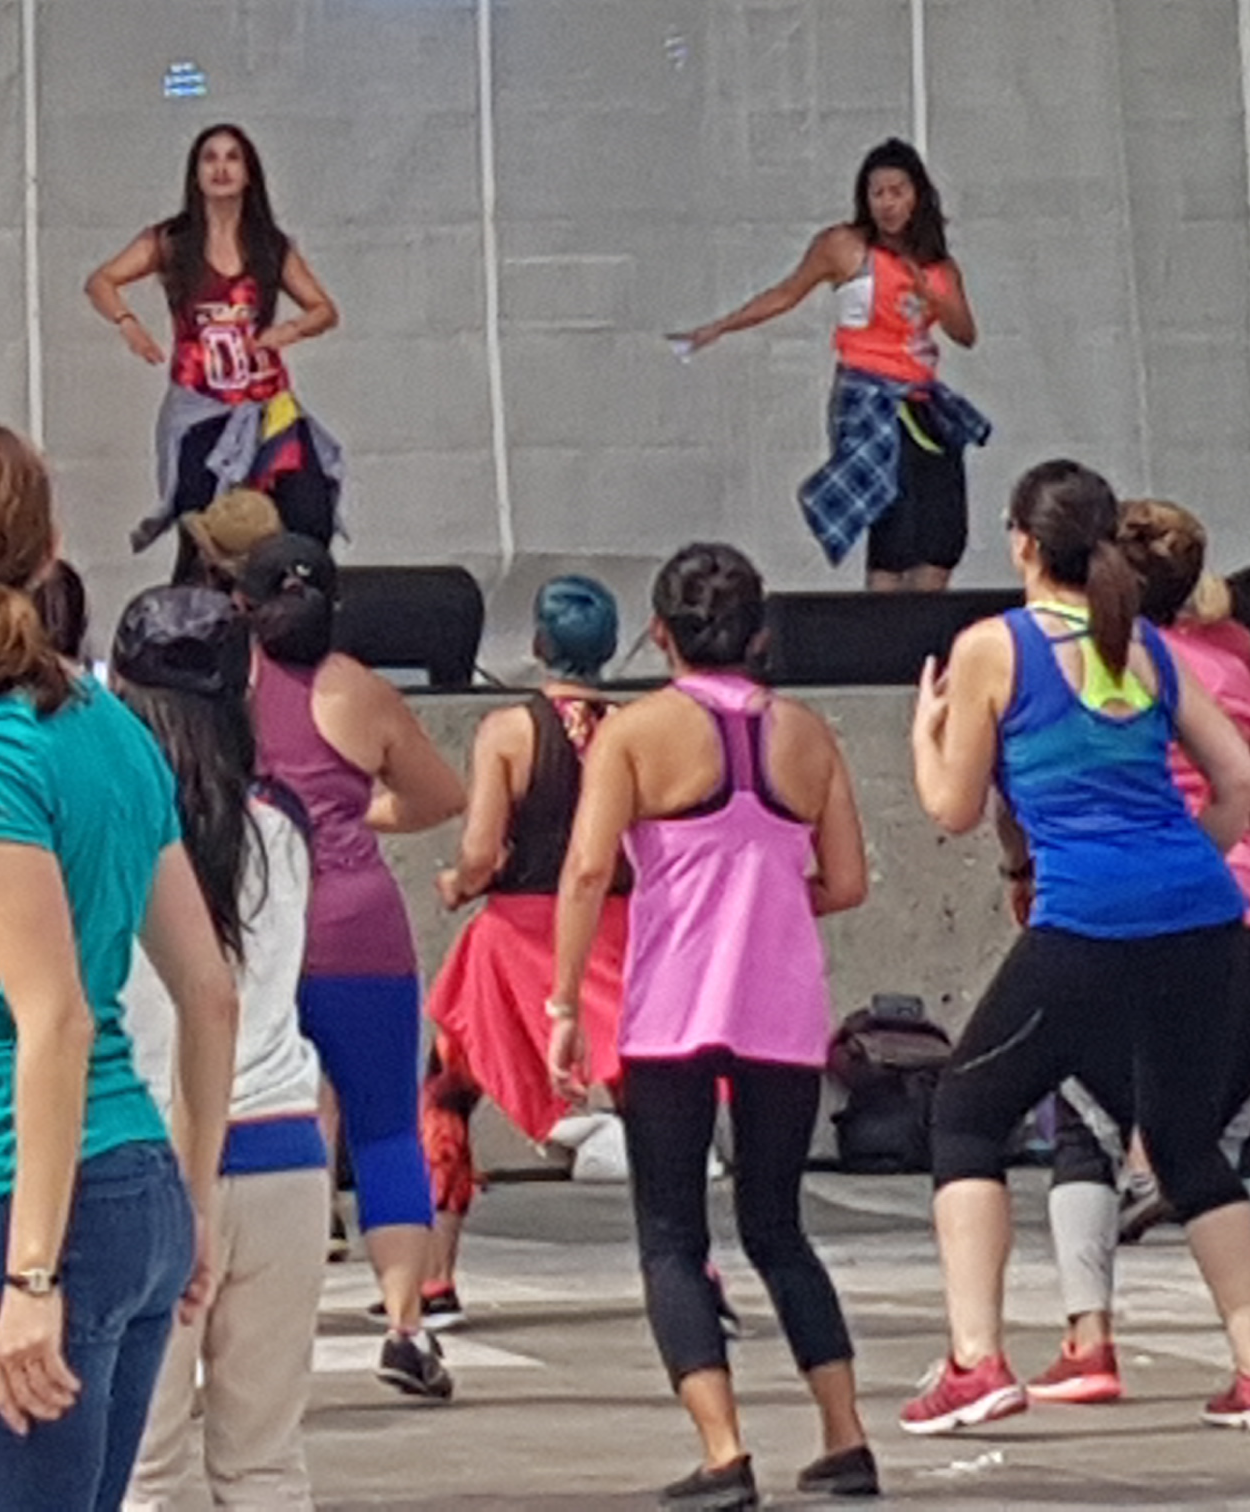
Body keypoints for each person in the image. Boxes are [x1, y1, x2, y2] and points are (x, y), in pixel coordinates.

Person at [0, 418, 236, 1512]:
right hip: (137, 1187)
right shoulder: (113, 727)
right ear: (52, 550)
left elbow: (56, 1019)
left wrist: (30, 1274)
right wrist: (196, 1202)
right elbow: (210, 991)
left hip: (20, 1191)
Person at [905, 463, 1250, 1438]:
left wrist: (925, 734)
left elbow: (953, 807)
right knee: (1184, 1140)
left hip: (1087, 916)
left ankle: (975, 1360)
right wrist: (1180, 864)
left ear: (1024, 542)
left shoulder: (995, 646)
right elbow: (1241, 784)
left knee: (966, 1113)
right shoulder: (1150, 646)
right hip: (1204, 914)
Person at [549, 540, 877, 1507]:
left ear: (660, 632)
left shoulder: (635, 733)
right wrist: (762, 899)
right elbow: (848, 882)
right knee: (779, 1228)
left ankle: (725, 1450)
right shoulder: (807, 735)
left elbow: (587, 870)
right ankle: (846, 1435)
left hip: (673, 1007)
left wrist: (564, 1001)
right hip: (781, 1008)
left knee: (670, 1235)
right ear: (759, 632)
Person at [1026, 499, 1250, 1409]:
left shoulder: (1097, 655)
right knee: (1236, 1131)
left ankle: (1088, 1337)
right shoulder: (1236, 655)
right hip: (1243, 911)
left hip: (1122, 909)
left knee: (1087, 1123)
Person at [234, 533, 467, 1398]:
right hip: (357, 923)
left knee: (250, 1121)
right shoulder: (360, 691)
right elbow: (442, 795)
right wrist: (357, 810)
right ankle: (405, 1324)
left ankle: (257, 1316)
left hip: (259, 922)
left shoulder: (229, 685)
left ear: (243, 605)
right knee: (385, 1129)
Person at [115, 581, 328, 1512]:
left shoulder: (107, 831)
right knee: (265, 1463)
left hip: (149, 1149)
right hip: (283, 1150)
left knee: (142, 1466)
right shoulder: (282, 828)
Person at [424, 574, 630, 1323]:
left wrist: (458, 882)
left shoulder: (508, 732)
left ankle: (434, 1279)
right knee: (654, 1104)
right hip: (616, 929)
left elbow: (481, 851)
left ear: (540, 644)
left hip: (517, 934)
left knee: (447, 1092)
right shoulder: (636, 729)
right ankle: (694, 1270)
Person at [669, 138, 989, 588]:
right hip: (869, 394)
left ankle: (927, 620)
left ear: (917, 196)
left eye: (897, 192)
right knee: (894, 526)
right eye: (877, 193)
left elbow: (965, 333)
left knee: (942, 533)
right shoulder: (844, 246)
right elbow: (786, 293)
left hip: (921, 397)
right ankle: (883, 618)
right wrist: (720, 327)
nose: (887, 203)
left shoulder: (939, 267)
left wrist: (932, 294)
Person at [86, 123, 344, 559]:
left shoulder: (270, 246)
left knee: (309, 514)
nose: (221, 168)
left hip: (266, 405)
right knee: (201, 528)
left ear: (248, 173)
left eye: (232, 158)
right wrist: (128, 324)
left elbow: (324, 309)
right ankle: (200, 598)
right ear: (196, 173)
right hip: (201, 405)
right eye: (210, 158)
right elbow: (101, 281)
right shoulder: (172, 241)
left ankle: (297, 591)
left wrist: (289, 330)